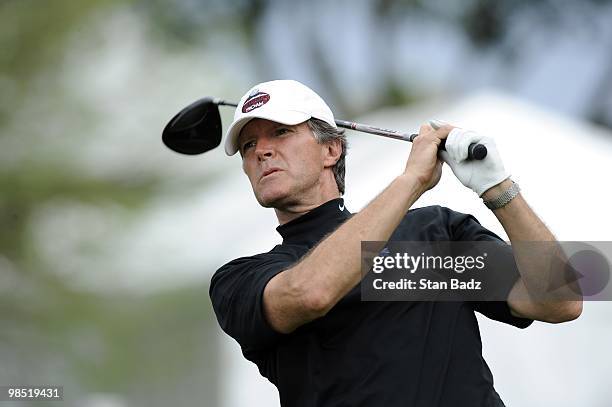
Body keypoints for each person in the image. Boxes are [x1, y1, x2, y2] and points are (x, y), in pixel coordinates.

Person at [209, 79, 582, 406]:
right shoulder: (241, 279)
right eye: (247, 146)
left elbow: (561, 301)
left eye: (281, 132)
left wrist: (498, 187)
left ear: (331, 150)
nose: (261, 151)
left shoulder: (435, 232)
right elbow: (312, 293)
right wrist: (411, 181)